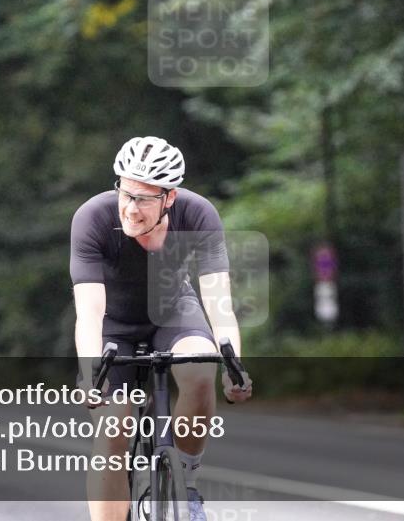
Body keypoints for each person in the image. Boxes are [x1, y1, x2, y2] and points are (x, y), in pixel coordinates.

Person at [71, 136, 253, 521]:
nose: (130, 208)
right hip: (113, 325)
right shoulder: (93, 218)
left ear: (170, 198)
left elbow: (219, 304)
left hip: (173, 311)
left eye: (143, 199)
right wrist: (90, 373)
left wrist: (234, 367)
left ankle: (185, 484)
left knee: (200, 370)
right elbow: (89, 313)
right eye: (125, 193)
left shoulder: (198, 215)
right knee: (113, 428)